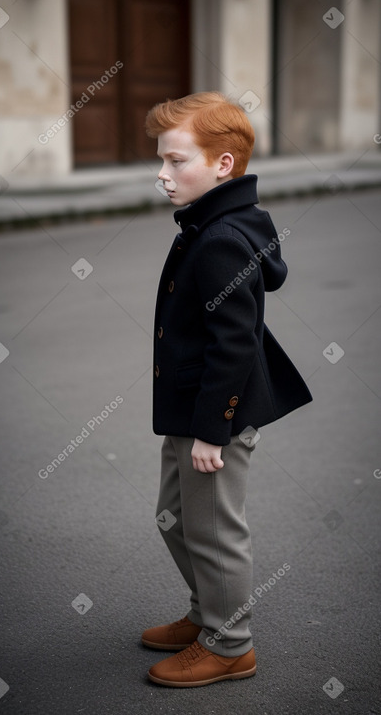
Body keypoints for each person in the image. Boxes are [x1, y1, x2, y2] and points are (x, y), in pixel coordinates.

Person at [141, 91, 312, 688]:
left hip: (214, 416)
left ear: (222, 165)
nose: (162, 175)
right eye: (160, 160)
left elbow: (234, 345)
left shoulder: (220, 239)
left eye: (176, 161)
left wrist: (215, 429)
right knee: (173, 517)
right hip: (190, 408)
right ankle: (207, 613)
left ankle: (230, 644)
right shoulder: (211, 220)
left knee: (213, 531)